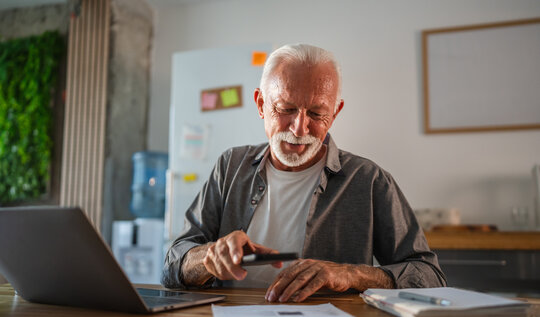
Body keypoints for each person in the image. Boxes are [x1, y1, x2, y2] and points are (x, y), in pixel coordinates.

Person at [162, 44, 446, 303]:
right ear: (261, 105)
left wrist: (351, 275)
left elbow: (430, 277)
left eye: (316, 114)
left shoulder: (369, 180)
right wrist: (209, 257)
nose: (299, 129)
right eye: (286, 109)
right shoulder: (230, 166)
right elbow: (172, 267)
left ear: (334, 114)